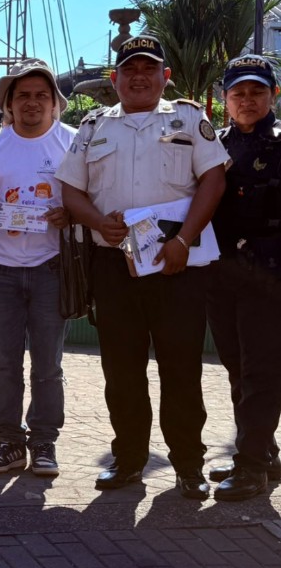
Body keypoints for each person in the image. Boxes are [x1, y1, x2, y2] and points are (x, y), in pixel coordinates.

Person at [57, 35, 227, 500]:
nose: (138, 76)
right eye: (129, 69)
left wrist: (184, 240)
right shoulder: (92, 126)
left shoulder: (188, 118)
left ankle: (188, 465)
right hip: (114, 266)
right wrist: (95, 221)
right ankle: (128, 459)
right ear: (114, 79)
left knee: (181, 369)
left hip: (178, 265)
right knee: (122, 369)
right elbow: (71, 190)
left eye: (148, 68)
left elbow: (214, 179)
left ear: (164, 77)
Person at [0, 58, 75, 477]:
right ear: (9, 103)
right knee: (4, 363)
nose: (32, 103)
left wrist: (71, 216)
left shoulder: (72, 142)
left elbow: (89, 200)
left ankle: (44, 442)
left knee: (48, 363)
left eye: (40, 95)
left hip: (51, 267)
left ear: (54, 102)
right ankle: (9, 442)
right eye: (23, 95)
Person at [205, 55, 281, 501]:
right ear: (225, 100)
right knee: (235, 366)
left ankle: (251, 466)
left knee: (261, 369)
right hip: (222, 273)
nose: (248, 100)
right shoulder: (213, 146)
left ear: (273, 95)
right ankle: (263, 451)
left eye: (257, 91)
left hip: (269, 274)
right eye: (239, 93)